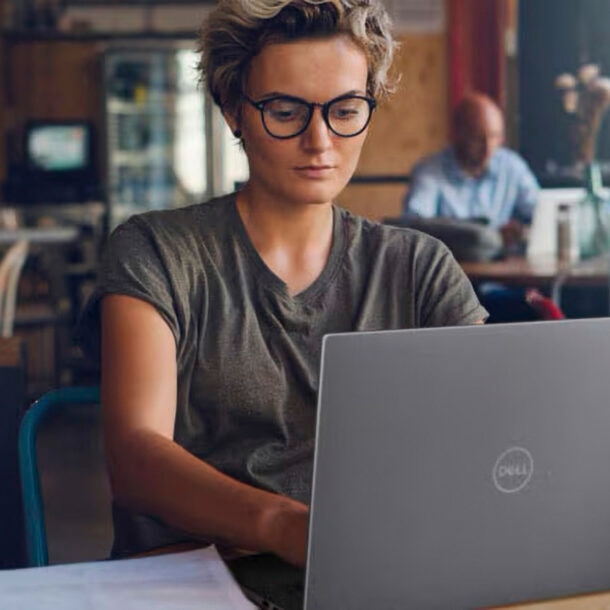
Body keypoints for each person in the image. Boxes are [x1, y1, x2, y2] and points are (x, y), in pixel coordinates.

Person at [77, 0, 487, 606]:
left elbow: (494, 431)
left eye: (345, 110)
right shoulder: (157, 252)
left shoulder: (419, 268)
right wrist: (286, 527)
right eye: (286, 111)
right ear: (233, 112)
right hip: (192, 582)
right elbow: (136, 457)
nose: (320, 140)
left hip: (371, 583)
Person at [402, 92, 540, 248]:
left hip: (501, 268)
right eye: (478, 138)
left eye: (495, 136)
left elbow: (540, 212)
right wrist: (490, 236)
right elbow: (415, 224)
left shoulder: (512, 167)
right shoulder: (430, 170)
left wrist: (522, 231)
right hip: (449, 267)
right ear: (458, 133)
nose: (488, 148)